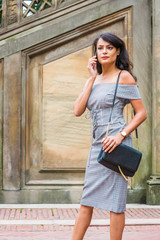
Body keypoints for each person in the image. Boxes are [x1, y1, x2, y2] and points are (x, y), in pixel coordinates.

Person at [71, 32, 147, 240]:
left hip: (116, 145)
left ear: (118, 51)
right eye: (100, 48)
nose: (104, 51)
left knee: (115, 203)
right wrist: (91, 78)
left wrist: (121, 135)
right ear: (95, 53)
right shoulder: (95, 79)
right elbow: (77, 110)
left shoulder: (124, 77)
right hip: (97, 146)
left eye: (109, 48)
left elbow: (141, 113)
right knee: (87, 200)